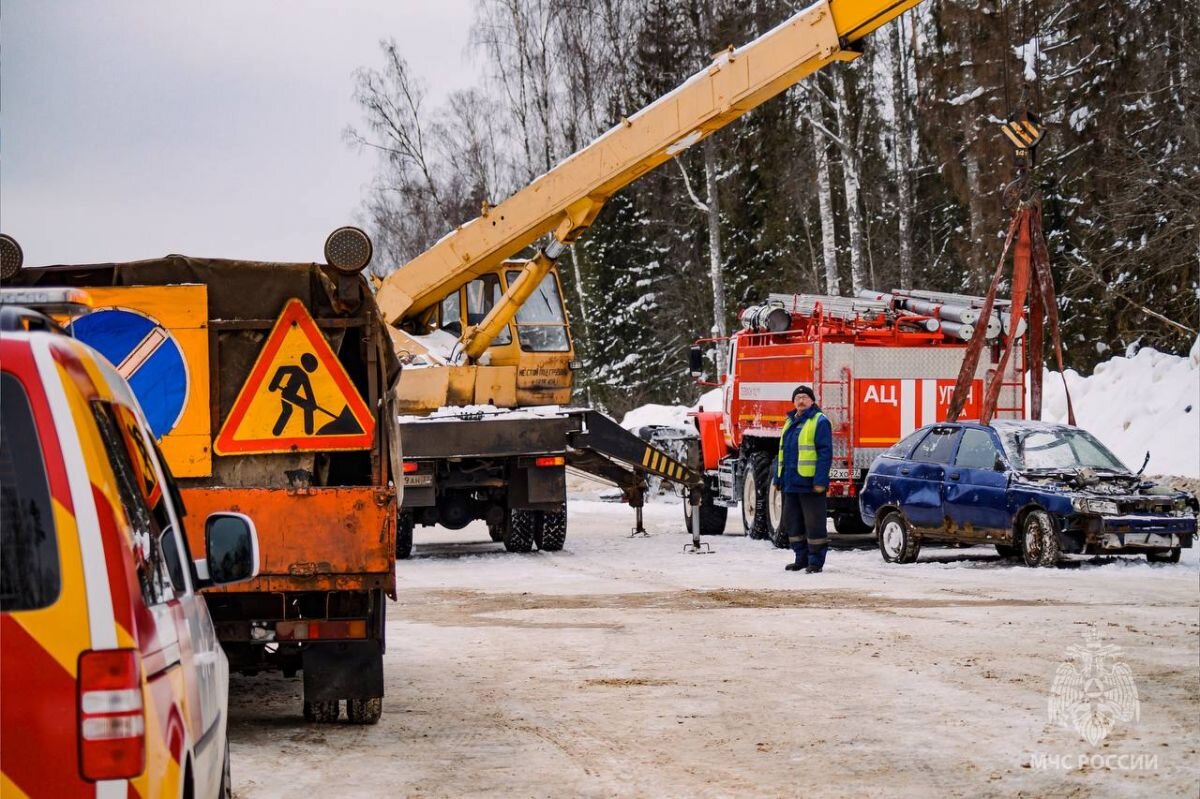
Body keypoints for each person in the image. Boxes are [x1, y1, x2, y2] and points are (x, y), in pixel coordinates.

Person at [773, 385, 833, 573]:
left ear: (812, 401)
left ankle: (815, 562)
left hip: (809, 484)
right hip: (790, 483)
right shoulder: (790, 421)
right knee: (793, 524)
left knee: (814, 524)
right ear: (793, 401)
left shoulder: (819, 421)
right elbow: (782, 452)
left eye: (805, 397)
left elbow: (825, 453)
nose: (801, 401)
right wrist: (777, 478)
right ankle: (801, 559)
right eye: (798, 397)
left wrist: (820, 481)